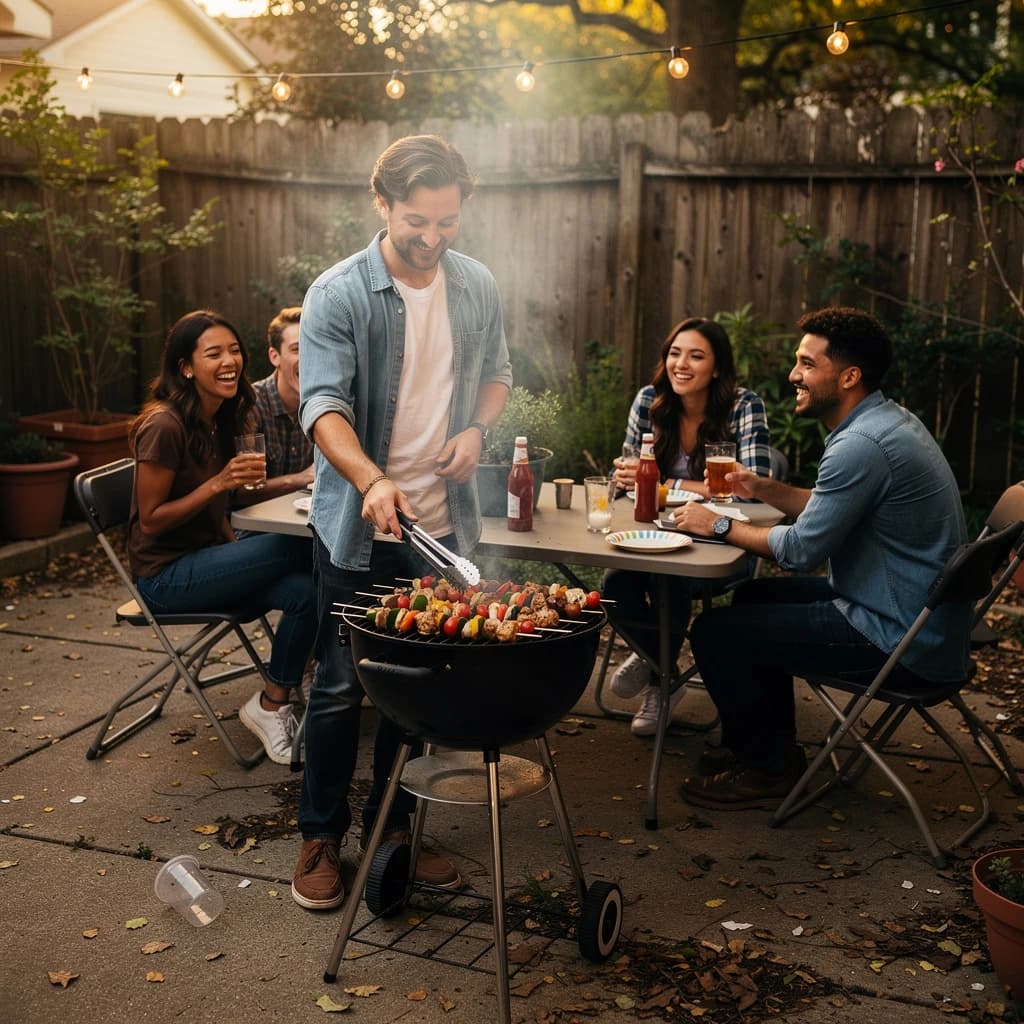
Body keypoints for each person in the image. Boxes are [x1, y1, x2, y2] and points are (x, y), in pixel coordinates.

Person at [292, 135, 512, 911]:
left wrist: (477, 431)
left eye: (447, 221)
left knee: (417, 691)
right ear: (381, 203)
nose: (432, 237)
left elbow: (498, 374)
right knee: (340, 686)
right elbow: (322, 406)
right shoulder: (338, 293)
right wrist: (372, 479)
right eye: (417, 221)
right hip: (359, 528)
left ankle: (393, 831)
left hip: (441, 528)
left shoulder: (476, 284)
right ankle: (320, 835)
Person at [673, 307, 969, 809]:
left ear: (848, 377)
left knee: (715, 632)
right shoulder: (887, 421)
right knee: (751, 597)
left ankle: (767, 771)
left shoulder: (861, 443)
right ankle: (765, 749)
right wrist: (764, 488)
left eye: (807, 364)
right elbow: (834, 506)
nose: (794, 375)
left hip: (898, 639)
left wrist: (716, 524)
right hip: (917, 617)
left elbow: (800, 550)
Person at [128, 309, 318, 765]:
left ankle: (271, 703)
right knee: (299, 544)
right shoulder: (164, 426)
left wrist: (235, 536)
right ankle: (328, 672)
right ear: (185, 367)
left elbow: (227, 505)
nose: (229, 361)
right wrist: (219, 484)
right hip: (165, 578)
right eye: (213, 353)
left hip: (209, 560)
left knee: (306, 592)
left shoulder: (220, 417)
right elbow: (150, 521)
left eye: (234, 350)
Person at [605, 317, 770, 737]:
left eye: (696, 356)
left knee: (670, 579)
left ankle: (657, 679)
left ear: (716, 368)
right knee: (614, 586)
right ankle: (663, 667)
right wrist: (626, 477)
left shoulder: (743, 405)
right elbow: (627, 479)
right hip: (652, 535)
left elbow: (752, 488)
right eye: (675, 353)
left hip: (721, 540)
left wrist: (664, 484)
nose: (681, 364)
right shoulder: (650, 400)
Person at [251, 306, 315, 494]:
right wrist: (300, 478)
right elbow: (240, 492)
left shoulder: (325, 404)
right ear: (274, 356)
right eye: (297, 349)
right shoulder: (252, 405)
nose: (309, 358)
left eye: (313, 347)